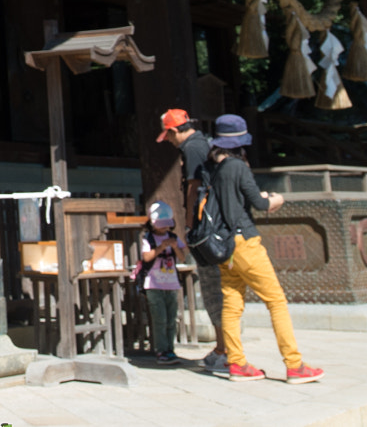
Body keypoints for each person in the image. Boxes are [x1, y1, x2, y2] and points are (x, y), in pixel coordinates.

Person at [208, 114, 324, 383]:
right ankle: (294, 365)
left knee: (232, 304)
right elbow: (259, 205)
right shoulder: (238, 167)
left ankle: (236, 363)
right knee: (276, 301)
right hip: (245, 243)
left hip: (224, 247)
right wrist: (275, 198)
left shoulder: (215, 170)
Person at [158, 108, 227, 371]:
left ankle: (224, 348)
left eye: (169, 136)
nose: (169, 142)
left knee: (213, 289)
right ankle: (224, 347)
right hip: (218, 225)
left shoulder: (192, 147)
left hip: (206, 227)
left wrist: (189, 223)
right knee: (219, 289)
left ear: (175, 130)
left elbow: (194, 185)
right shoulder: (206, 143)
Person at [135, 200, 186, 365]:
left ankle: (170, 349)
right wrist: (161, 248)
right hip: (154, 283)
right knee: (159, 319)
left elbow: (183, 256)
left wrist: (173, 246)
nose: (164, 228)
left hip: (171, 283)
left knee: (172, 318)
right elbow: (146, 257)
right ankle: (161, 350)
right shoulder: (148, 238)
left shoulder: (173, 237)